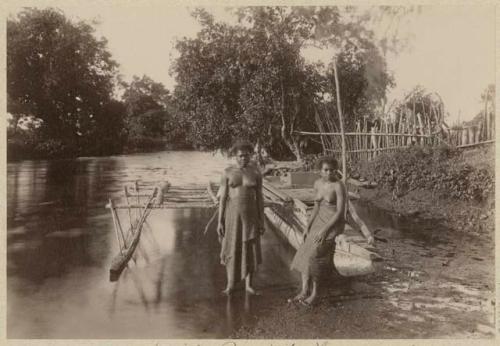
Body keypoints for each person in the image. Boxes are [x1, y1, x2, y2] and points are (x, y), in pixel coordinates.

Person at [289, 156, 347, 305]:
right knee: (305, 252)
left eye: (332, 170)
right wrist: (308, 225)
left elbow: (340, 212)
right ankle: (304, 291)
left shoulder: (339, 186)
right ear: (320, 171)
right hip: (318, 222)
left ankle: (316, 293)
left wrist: (324, 231)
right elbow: (316, 206)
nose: (329, 173)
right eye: (325, 170)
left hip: (332, 224)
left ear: (336, 171)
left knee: (315, 256)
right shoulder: (317, 183)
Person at [217, 141, 265, 295]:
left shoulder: (256, 172)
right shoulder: (227, 172)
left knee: (250, 248)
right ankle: (230, 284)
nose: (244, 158)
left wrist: (261, 220)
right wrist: (220, 221)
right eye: (240, 156)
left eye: (247, 155)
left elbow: (260, 198)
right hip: (232, 216)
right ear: (235, 156)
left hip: (251, 216)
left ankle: (249, 285)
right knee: (231, 247)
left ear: (251, 155)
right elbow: (223, 198)